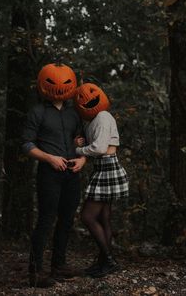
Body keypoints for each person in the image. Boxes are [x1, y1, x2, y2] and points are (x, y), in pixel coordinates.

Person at [22, 63, 86, 288]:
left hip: (72, 173)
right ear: (43, 84)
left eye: (65, 82)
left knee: (67, 219)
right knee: (46, 219)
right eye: (53, 82)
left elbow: (82, 141)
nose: (59, 86)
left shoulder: (74, 111)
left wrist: (83, 159)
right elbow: (27, 145)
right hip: (49, 174)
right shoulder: (37, 112)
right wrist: (50, 158)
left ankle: (59, 265)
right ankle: (36, 270)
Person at [74, 82, 129, 278]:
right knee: (103, 217)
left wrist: (78, 150)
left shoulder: (103, 116)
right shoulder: (92, 120)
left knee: (88, 217)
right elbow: (94, 143)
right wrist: (81, 141)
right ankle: (104, 261)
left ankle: (109, 260)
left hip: (108, 167)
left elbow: (98, 148)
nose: (86, 100)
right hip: (102, 167)